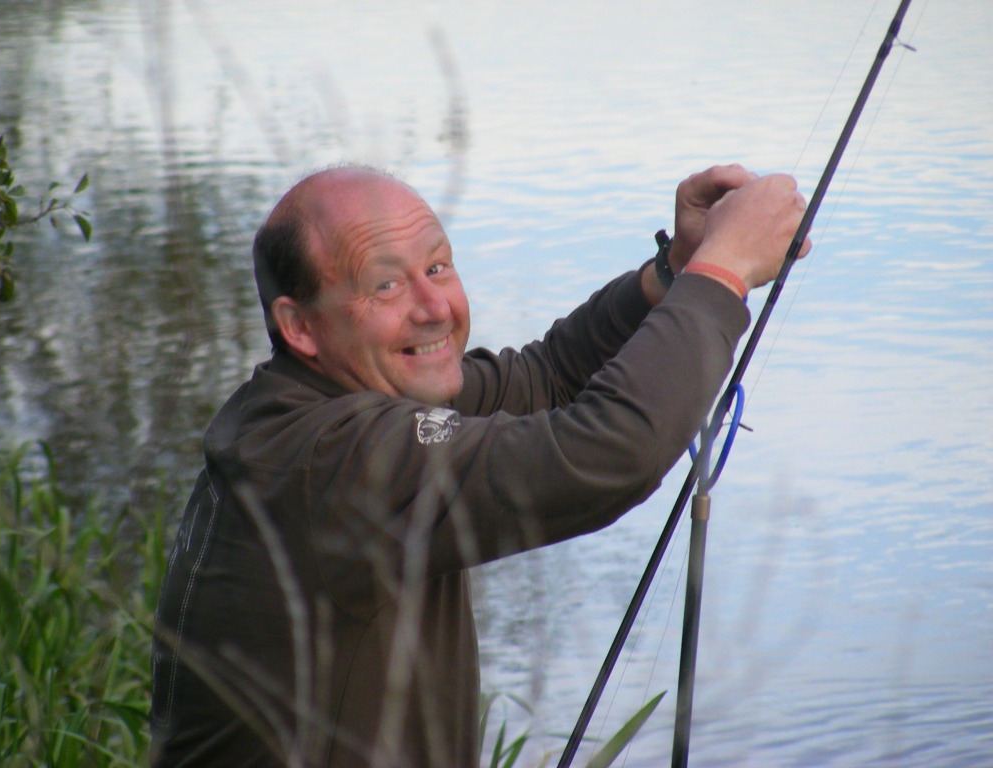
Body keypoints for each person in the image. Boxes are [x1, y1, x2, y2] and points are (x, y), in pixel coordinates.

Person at [150, 163, 809, 767]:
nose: (435, 308)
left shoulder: (336, 400)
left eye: (437, 268)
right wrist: (722, 273)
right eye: (384, 284)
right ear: (299, 327)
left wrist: (674, 272)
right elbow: (606, 451)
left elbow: (548, 380)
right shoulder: (323, 458)